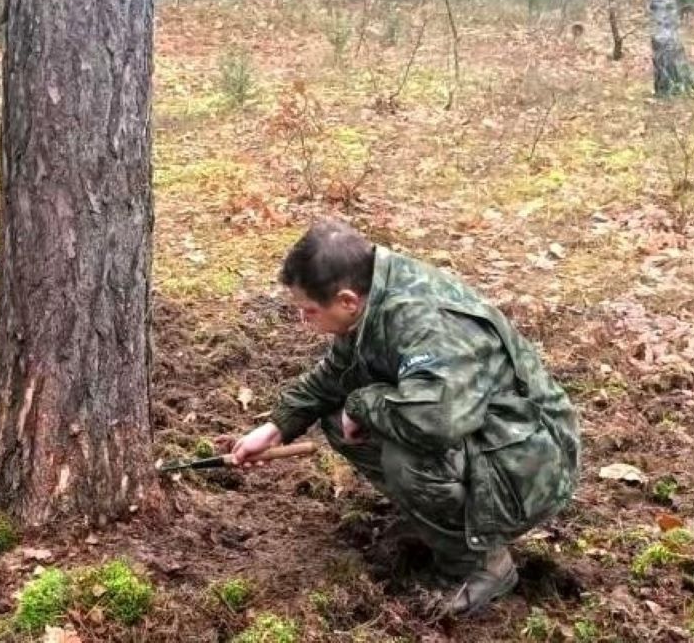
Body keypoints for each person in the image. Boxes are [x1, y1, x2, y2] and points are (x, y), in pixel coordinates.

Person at [226, 219, 581, 616]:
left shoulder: (420, 319)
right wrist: (276, 427)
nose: (302, 320)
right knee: (336, 417)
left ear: (346, 300)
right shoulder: (372, 295)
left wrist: (363, 404)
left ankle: (479, 564)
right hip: (492, 435)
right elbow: (336, 375)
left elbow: (436, 421)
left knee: (406, 455)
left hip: (533, 464)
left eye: (308, 310)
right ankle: (445, 520)